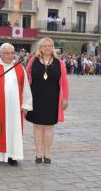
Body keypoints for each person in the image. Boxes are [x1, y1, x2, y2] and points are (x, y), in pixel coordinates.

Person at [0, 43, 32, 167]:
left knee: (13, 130)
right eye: (6, 53)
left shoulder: (19, 68)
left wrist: (26, 105)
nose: (10, 56)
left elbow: (26, 87)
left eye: (12, 53)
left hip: (15, 108)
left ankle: (12, 155)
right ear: (0, 54)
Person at [26, 37, 69, 165]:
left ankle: (47, 154)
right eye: (44, 46)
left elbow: (65, 82)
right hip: (36, 98)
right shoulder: (33, 60)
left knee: (49, 127)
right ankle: (38, 154)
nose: (47, 48)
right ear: (40, 48)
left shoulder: (59, 62)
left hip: (53, 99)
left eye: (49, 46)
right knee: (38, 126)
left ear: (52, 48)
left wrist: (65, 98)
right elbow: (24, 76)